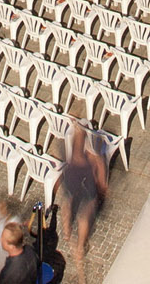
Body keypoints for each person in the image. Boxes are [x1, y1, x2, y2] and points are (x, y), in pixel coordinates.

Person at [57, 113, 109, 284]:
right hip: (85, 173)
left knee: (67, 199)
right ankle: (80, 247)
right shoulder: (93, 144)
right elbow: (99, 164)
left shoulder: (72, 135)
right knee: (85, 214)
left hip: (73, 170)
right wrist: (102, 184)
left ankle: (66, 231)